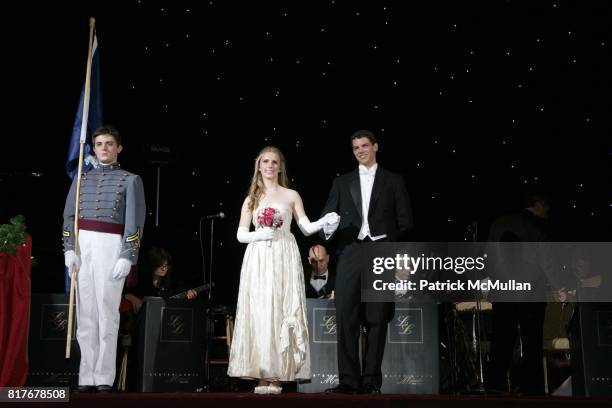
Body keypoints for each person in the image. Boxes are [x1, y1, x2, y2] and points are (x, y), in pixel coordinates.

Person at [227, 146, 339, 394]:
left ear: (280, 166)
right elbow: (240, 234)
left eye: (274, 162)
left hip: (283, 256)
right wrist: (260, 234)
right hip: (258, 258)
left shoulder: (291, 195)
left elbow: (306, 227)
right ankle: (261, 376)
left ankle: (277, 375)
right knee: (260, 311)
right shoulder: (251, 198)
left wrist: (324, 221)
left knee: (280, 309)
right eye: (265, 161)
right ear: (259, 165)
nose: (269, 165)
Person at [321, 130, 413, 394]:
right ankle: (348, 380)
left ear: (375, 147)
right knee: (345, 316)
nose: (360, 150)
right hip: (350, 253)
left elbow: (406, 223)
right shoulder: (341, 182)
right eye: (355, 147)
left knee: (377, 317)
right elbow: (327, 220)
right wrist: (328, 228)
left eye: (364, 146)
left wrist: (400, 258)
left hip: (382, 253)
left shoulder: (394, 181)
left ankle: (371, 381)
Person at [62, 125, 146, 393]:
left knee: (107, 313)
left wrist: (127, 255)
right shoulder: (81, 179)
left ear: (118, 148)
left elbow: (135, 223)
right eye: (99, 144)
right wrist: (69, 248)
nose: (104, 148)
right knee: (85, 314)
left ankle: (104, 377)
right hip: (83, 246)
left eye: (110, 143)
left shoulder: (130, 180)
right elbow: (68, 217)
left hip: (111, 246)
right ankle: (86, 375)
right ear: (94, 148)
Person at [486, 194, 553, 395]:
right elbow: (548, 260)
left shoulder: (499, 223)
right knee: (532, 340)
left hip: (503, 290)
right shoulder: (539, 225)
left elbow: (489, 256)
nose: (547, 212)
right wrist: (560, 286)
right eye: (546, 208)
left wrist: (490, 278)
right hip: (531, 292)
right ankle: (531, 388)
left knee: (501, 339)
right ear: (538, 204)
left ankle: (496, 385)